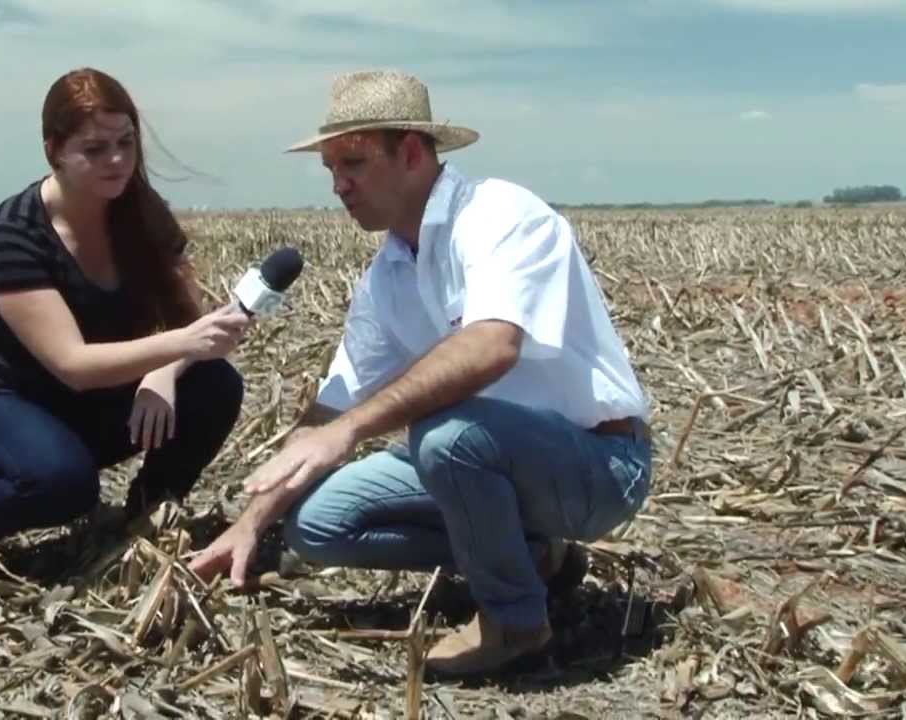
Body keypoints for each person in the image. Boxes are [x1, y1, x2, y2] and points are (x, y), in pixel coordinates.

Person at [189, 70, 653, 677]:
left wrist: (351, 431)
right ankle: (535, 559)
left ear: (410, 152)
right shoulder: (387, 276)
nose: (338, 184)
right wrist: (249, 523)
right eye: (330, 169)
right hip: (480, 458)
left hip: (596, 464)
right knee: (319, 523)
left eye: (352, 162)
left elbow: (491, 347)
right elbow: (330, 410)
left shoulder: (502, 215)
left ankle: (514, 619)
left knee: (446, 433)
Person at [0, 68, 250, 598]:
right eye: (95, 148)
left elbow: (181, 326)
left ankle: (146, 513)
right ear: (53, 150)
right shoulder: (14, 234)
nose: (117, 161)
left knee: (215, 383)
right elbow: (72, 365)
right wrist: (179, 348)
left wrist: (164, 374)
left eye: (125, 143)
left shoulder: (144, 216)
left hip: (87, 404)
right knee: (62, 484)